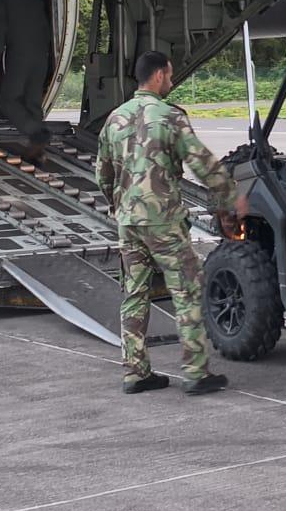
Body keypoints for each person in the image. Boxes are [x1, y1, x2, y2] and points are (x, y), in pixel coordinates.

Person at [94, 51, 246, 396]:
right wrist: (229, 196)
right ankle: (195, 372)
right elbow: (202, 162)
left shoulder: (115, 118)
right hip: (162, 221)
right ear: (160, 75)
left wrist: (117, 205)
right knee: (186, 288)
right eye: (171, 74)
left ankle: (135, 372)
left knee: (134, 295)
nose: (173, 80)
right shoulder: (170, 117)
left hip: (128, 222)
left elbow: (102, 173)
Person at [0, 0, 53, 162]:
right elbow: (46, 27)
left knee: (7, 99)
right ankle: (36, 150)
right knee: (32, 101)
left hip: (20, 54)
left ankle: (36, 131)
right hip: (41, 53)